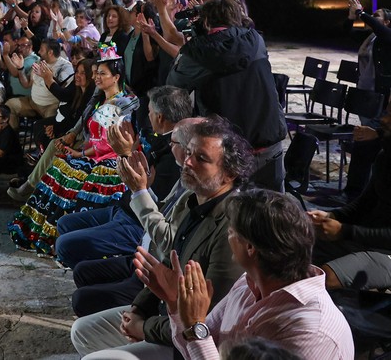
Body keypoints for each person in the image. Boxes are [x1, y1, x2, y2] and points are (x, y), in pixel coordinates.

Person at [70, 116, 253, 359]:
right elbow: (167, 262)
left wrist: (143, 327)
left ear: (229, 174)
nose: (187, 162)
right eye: (188, 152)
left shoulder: (232, 227)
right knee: (83, 330)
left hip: (192, 339)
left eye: (201, 159)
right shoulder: (194, 199)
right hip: (163, 313)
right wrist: (138, 308)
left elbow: (206, 319)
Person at [134, 188, 353, 360]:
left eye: (231, 232)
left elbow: (198, 336)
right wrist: (176, 303)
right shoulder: (248, 283)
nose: (228, 239)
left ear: (250, 248)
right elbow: (195, 344)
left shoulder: (313, 331)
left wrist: (193, 325)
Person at [8, 47, 138, 255]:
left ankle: (66, 237)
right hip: (92, 154)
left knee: (67, 172)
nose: (96, 77)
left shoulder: (120, 104)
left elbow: (108, 143)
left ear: (116, 77)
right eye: (96, 73)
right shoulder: (100, 99)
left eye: (102, 73)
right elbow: (89, 132)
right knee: (59, 165)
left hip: (108, 161)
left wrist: (80, 154)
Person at [51, 86, 189, 270]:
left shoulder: (175, 153)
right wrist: (130, 151)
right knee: (64, 223)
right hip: (123, 209)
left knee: (64, 245)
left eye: (150, 112)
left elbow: (151, 199)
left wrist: (124, 154)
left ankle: (97, 270)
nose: (147, 117)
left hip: (136, 222)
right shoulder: (156, 136)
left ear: (160, 117)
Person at [167, 0, 285, 191]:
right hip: (268, 143)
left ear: (205, 22)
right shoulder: (256, 41)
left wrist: (196, 38)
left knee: (230, 216)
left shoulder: (197, 52)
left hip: (227, 153)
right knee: (272, 214)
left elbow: (173, 84)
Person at [308, 112, 391, 290]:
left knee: (325, 277)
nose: (383, 120)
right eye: (387, 112)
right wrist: (331, 215)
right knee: (294, 245)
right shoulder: (385, 156)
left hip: (384, 249)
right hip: (367, 239)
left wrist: (344, 231)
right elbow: (364, 203)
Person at [4, 37, 73, 132]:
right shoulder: (39, 62)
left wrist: (48, 77)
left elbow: (64, 93)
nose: (39, 52)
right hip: (33, 102)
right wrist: (20, 68)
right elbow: (26, 84)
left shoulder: (65, 66)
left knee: (51, 125)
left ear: (50, 53)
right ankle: (13, 141)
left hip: (51, 106)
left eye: (42, 50)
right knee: (9, 105)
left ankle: (43, 145)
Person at [349, 0, 391, 105]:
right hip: (363, 88)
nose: (371, 17)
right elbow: (348, 32)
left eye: (376, 16)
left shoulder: (387, 35)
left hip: (378, 91)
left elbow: (377, 26)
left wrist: (360, 12)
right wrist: (351, 17)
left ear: (386, 22)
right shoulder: (370, 37)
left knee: (374, 121)